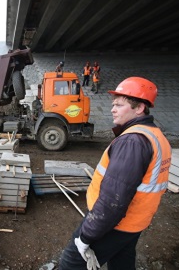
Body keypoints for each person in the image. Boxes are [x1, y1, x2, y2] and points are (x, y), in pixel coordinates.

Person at [59, 77, 172, 270]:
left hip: (114, 225)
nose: (112, 109)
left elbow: (114, 200)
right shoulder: (155, 135)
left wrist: (86, 236)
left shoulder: (133, 142)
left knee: (70, 264)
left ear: (139, 108)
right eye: (113, 105)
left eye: (119, 105)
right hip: (134, 223)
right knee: (122, 263)